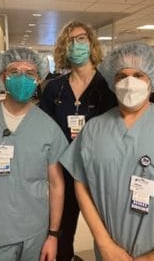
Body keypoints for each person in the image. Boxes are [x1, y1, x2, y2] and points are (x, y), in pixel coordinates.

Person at [59, 41, 154, 261]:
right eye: (121, 76)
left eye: (138, 75)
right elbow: (81, 184)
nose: (129, 82)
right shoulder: (93, 129)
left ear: (152, 80)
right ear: (111, 81)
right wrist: (104, 243)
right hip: (110, 254)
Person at [0, 47, 68, 261]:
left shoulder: (48, 128)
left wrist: (53, 236)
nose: (22, 77)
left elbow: (57, 185)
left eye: (30, 73)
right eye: (15, 71)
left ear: (38, 79)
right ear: (2, 77)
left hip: (35, 236)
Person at [39, 20, 118, 261]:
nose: (76, 45)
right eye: (70, 40)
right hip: (63, 173)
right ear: (64, 48)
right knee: (61, 236)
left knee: (109, 235)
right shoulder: (54, 89)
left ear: (92, 43)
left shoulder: (109, 86)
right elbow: (43, 132)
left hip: (99, 173)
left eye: (81, 38)